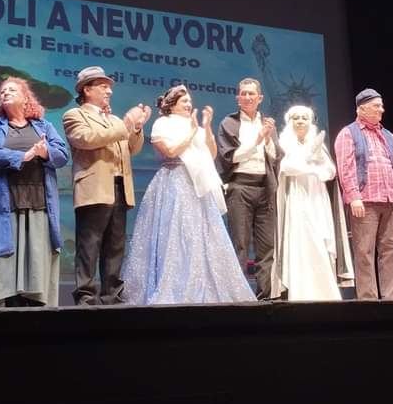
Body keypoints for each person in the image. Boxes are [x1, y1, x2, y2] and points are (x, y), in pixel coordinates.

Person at [121, 85, 257, 305]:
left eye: (189, 101)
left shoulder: (193, 124)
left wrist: (206, 126)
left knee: (199, 234)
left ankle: (202, 284)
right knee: (174, 234)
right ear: (172, 104)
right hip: (174, 183)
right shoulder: (162, 124)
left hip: (197, 186)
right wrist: (193, 132)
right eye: (184, 101)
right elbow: (171, 152)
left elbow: (211, 154)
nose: (189, 104)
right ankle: (175, 286)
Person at [0, 78, 69, 308]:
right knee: (6, 262)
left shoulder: (43, 126)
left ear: (25, 97)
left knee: (37, 262)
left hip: (38, 201)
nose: (5, 92)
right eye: (2, 91)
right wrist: (23, 156)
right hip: (6, 202)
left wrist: (44, 151)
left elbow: (62, 154)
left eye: (12, 90)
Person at [62, 66, 151, 306]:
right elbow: (87, 139)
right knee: (89, 243)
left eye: (109, 86)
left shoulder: (112, 119)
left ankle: (111, 293)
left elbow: (132, 149)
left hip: (120, 186)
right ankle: (86, 295)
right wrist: (125, 124)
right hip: (94, 186)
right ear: (87, 89)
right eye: (103, 86)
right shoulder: (75, 115)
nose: (109, 90)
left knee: (115, 243)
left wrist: (137, 127)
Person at [272, 105, 353, 301]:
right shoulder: (284, 143)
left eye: (304, 118)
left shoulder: (319, 145)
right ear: (290, 121)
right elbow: (287, 168)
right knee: (301, 240)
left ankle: (325, 291)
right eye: (296, 118)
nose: (300, 121)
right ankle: (301, 292)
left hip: (317, 199)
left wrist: (315, 168)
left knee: (320, 240)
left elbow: (330, 171)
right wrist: (309, 161)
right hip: (297, 198)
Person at [333, 88, 393, 300]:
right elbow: (345, 168)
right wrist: (354, 196)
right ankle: (368, 299)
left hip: (389, 200)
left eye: (381, 106)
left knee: (392, 251)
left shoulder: (388, 135)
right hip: (364, 202)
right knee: (364, 252)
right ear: (362, 108)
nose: (381, 110)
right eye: (377, 106)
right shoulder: (348, 133)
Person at [215, 78, 281, 299]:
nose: (247, 97)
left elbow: (274, 156)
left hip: (264, 187)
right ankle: (238, 296)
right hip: (239, 186)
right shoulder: (229, 123)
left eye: (252, 93)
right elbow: (230, 157)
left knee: (266, 247)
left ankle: (265, 296)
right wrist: (257, 139)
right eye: (243, 93)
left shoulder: (267, 124)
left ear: (260, 98)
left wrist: (268, 139)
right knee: (240, 245)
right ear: (237, 98)